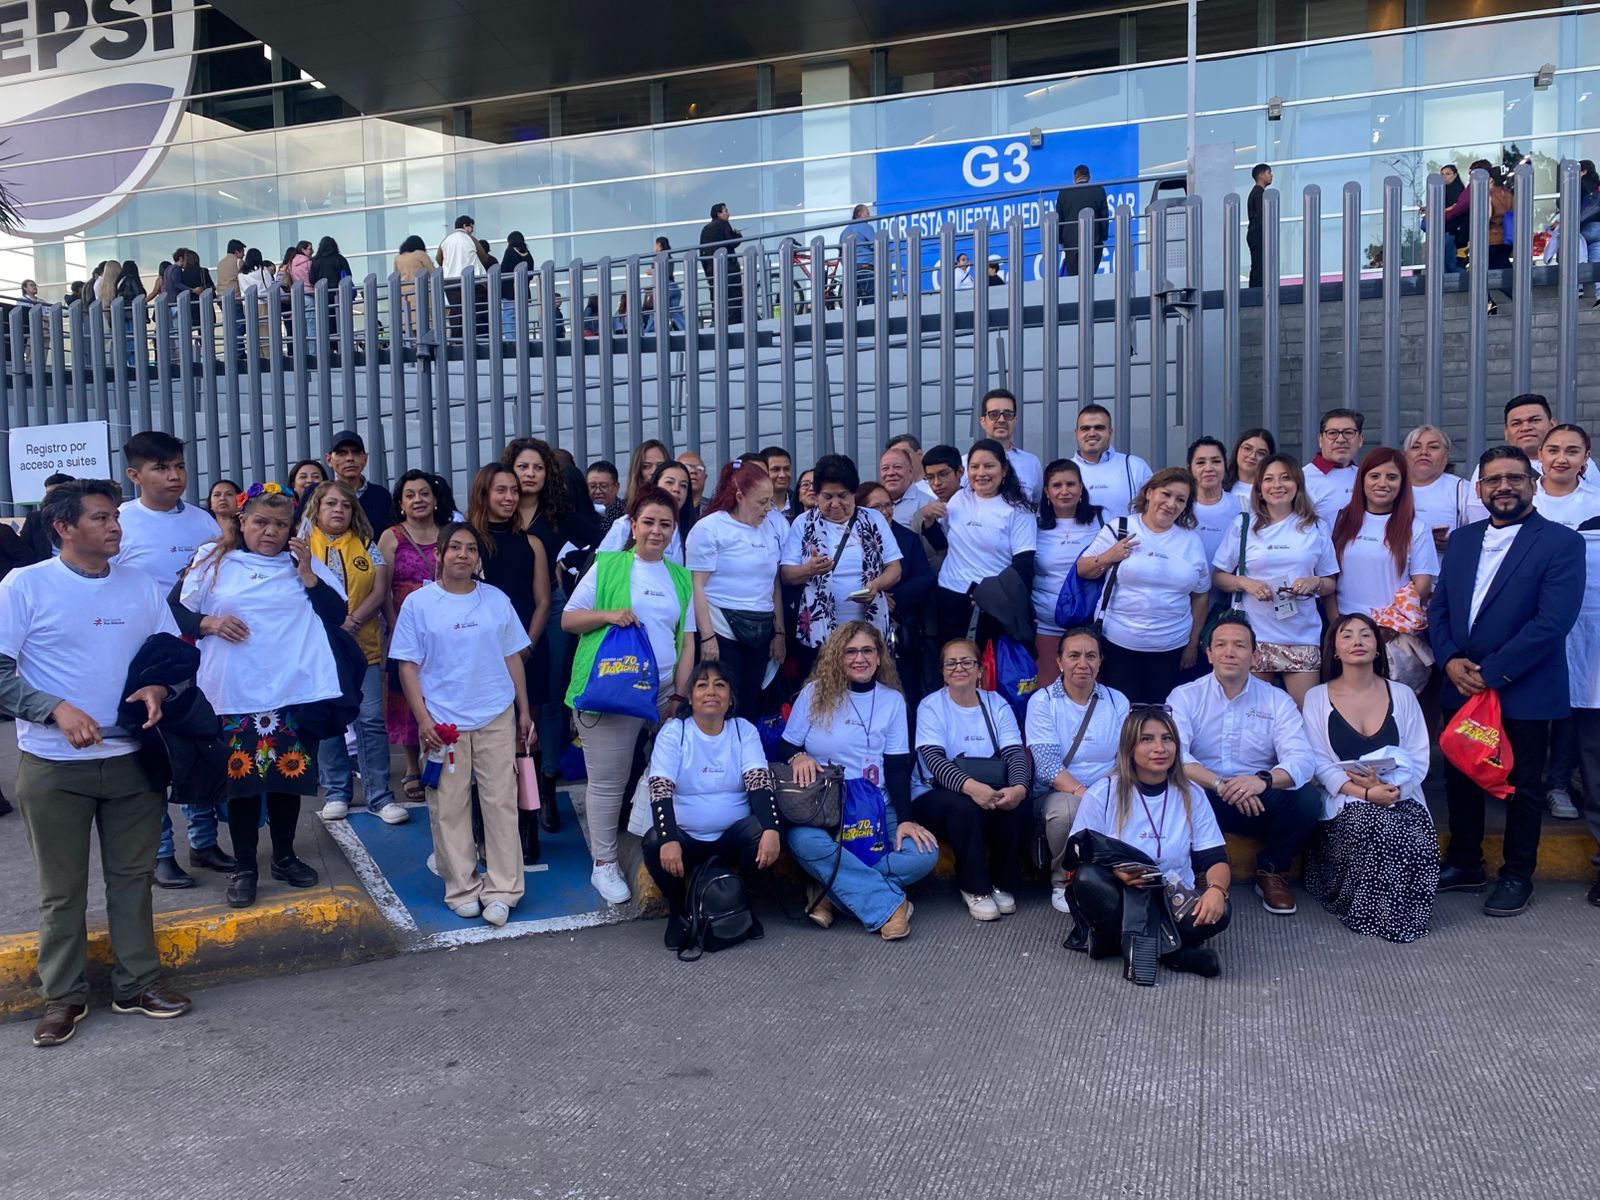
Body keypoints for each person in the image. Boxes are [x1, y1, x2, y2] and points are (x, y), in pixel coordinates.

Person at [0, 480, 194, 1046]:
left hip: (134, 760)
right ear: (64, 527)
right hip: (54, 766)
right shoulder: (25, 586)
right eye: (102, 518)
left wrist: (158, 685)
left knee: (133, 879)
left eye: (115, 517)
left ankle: (138, 984)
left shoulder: (139, 584)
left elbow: (172, 653)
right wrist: (54, 709)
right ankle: (62, 997)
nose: (116, 526)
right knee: (62, 890)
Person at [1429, 446, 1584, 916]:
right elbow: (1440, 608)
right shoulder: (1463, 539)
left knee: (1521, 786)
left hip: (1524, 686)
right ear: (1479, 490)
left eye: (1514, 478)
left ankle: (1518, 874)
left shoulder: (1561, 542)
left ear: (1532, 483)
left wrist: (1490, 674)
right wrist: (1451, 660)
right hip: (1461, 682)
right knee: (1461, 775)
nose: (1503, 487)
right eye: (1493, 480)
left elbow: (1552, 622)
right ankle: (1465, 862)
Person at [179, 485, 347, 910]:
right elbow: (175, 610)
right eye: (260, 522)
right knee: (243, 785)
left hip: (292, 691)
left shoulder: (303, 565)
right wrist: (210, 623)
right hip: (235, 693)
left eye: (279, 524)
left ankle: (285, 856)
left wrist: (308, 573)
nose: (269, 532)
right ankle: (245, 867)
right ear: (242, 522)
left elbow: (338, 615)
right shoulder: (213, 561)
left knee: (288, 779)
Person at [392, 522, 532, 927]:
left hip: (494, 714)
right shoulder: (419, 604)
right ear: (438, 554)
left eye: (471, 549)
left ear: (479, 558)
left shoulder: (496, 600)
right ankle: (462, 888)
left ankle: (504, 888)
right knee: (449, 806)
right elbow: (408, 666)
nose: (463, 555)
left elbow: (512, 658)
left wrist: (524, 712)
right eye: (454, 547)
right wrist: (423, 719)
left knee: (500, 802)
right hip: (443, 722)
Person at [562, 486, 695, 907]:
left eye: (666, 524)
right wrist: (608, 615)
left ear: (674, 531)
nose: (657, 531)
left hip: (662, 690)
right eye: (649, 522)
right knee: (607, 782)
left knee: (670, 773)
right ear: (633, 525)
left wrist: (680, 695)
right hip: (613, 689)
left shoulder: (679, 576)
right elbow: (568, 620)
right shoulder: (608, 566)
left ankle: (657, 844)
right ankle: (603, 863)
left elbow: (687, 640)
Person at [110, 431, 226, 890]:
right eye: (161, 468)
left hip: (195, 659)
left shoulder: (204, 524)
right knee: (154, 755)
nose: (174, 475)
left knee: (200, 747)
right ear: (135, 475)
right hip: (140, 662)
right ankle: (161, 853)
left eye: (178, 465)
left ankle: (203, 842)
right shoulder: (119, 523)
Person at [779, 621, 936, 939]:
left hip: (878, 804)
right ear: (838, 657)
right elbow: (787, 745)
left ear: (879, 657)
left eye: (867, 650)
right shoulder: (814, 693)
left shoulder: (892, 700)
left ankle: (827, 890)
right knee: (802, 841)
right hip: (825, 806)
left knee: (925, 854)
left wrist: (905, 819)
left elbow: (896, 764)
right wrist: (799, 757)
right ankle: (889, 906)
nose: (859, 658)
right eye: (850, 651)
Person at [1169, 612, 1321, 914]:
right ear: (1209, 654)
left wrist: (1261, 781)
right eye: (1221, 645)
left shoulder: (1276, 699)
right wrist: (1219, 783)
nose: (1229, 652)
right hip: (1205, 794)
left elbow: (1302, 758)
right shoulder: (1185, 696)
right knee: (1173, 790)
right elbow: (1176, 755)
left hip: (1256, 796)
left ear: (1254, 655)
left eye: (1239, 645)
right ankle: (1200, 869)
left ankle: (1271, 870)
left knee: (1307, 800)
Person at [1068, 708, 1233, 980]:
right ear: (1129, 747)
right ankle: (1175, 954)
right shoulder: (1103, 792)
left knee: (1222, 911)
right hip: (1121, 894)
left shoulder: (1192, 793)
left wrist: (1216, 889)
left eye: (1167, 739)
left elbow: (1214, 858)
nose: (1160, 748)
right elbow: (1078, 858)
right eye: (1147, 739)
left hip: (1173, 895)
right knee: (1088, 880)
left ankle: (1122, 943)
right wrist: (1115, 872)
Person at [1301, 613, 1437, 942]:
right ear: (1335, 649)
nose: (1357, 642)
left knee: (1416, 834)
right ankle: (1369, 913)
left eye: (1366, 635)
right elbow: (1317, 762)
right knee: (1371, 825)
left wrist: (1392, 790)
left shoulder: (1402, 695)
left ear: (1378, 647)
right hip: (1346, 800)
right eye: (1347, 636)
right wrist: (1362, 794)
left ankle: (1405, 914)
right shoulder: (1316, 697)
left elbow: (1419, 757)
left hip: (1398, 793)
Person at [641, 661, 781, 949]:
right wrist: (668, 838)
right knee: (655, 841)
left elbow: (758, 782)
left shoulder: (743, 731)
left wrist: (771, 828)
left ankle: (743, 904)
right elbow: (660, 789)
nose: (711, 691)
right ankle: (678, 910)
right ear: (690, 697)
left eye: (720, 685)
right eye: (702, 685)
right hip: (687, 839)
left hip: (733, 837)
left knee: (766, 833)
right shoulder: (675, 732)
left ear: (730, 697)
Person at [502, 436, 601, 826]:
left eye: (538, 468)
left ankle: (545, 789)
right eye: (523, 466)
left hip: (554, 606)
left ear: (548, 475)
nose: (529, 474)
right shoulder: (499, 507)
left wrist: (570, 567)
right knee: (510, 696)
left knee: (551, 694)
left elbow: (603, 543)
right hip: (506, 610)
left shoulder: (558, 514)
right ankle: (510, 784)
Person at [304, 481, 403, 826]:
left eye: (345, 506)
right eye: (330, 504)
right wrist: (336, 623)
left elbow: (380, 588)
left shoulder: (367, 544)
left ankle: (379, 795)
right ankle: (336, 792)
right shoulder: (302, 546)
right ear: (317, 508)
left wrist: (355, 619)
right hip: (322, 648)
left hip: (365, 645)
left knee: (371, 720)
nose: (338, 511)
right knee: (331, 719)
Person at [911, 639, 1033, 921]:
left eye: (967, 662)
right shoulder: (930, 706)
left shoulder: (996, 703)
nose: (959, 668)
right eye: (951, 663)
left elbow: (1014, 753)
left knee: (1019, 805)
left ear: (980, 669)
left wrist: (1018, 788)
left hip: (988, 790)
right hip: (935, 793)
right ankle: (974, 887)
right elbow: (935, 762)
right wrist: (972, 788)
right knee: (964, 807)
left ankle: (1002, 882)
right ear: (942, 671)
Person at [467, 464, 552, 861]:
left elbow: (542, 601)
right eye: (500, 490)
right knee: (482, 749)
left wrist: (525, 646)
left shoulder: (532, 543)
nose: (509, 498)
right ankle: (483, 831)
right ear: (484, 493)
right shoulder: (468, 542)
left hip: (525, 655)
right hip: (478, 660)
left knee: (525, 743)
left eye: (514, 491)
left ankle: (527, 828)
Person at [1212, 454, 1338, 706]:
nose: (1277, 485)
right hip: (1253, 637)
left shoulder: (1315, 527)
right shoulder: (1244, 524)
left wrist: (1314, 583)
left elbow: (1330, 583)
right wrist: (1246, 583)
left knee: (1306, 716)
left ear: (1298, 485)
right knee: (1253, 715)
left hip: (1301, 636)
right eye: (1268, 479)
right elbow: (1218, 576)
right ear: (1259, 489)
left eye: (1285, 478)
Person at [1077, 468, 1211, 703]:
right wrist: (1109, 556)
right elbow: (1082, 569)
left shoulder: (1192, 541)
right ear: (1149, 493)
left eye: (1181, 500)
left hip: (1171, 649)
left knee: (1160, 716)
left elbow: (1201, 594)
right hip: (1117, 645)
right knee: (1122, 716)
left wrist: (1192, 643)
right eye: (1166, 494)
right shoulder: (1120, 528)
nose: (1171, 504)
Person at [1027, 627, 1130, 912]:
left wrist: (1107, 789)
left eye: (1090, 656)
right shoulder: (1042, 702)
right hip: (1059, 790)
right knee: (1067, 812)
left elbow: (1126, 755)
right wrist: (1087, 794)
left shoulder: (1116, 700)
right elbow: (1047, 766)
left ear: (1100, 662)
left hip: (1109, 784)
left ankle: (1114, 875)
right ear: (1059, 661)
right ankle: (1063, 881)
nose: (1082, 663)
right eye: (1074, 655)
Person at [687, 459, 785, 722]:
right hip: (721, 628)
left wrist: (779, 631)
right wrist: (707, 637)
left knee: (751, 703)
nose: (767, 508)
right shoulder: (710, 528)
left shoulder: (771, 527)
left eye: (770, 501)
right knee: (722, 704)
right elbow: (696, 584)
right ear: (739, 496)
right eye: (761, 502)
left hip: (761, 628)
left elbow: (773, 583)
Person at [782, 454, 902, 663]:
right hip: (820, 631)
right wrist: (809, 569)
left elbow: (894, 568)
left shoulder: (873, 519)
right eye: (827, 497)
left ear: (854, 494)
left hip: (869, 622)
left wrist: (876, 585)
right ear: (816, 495)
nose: (835, 504)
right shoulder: (803, 523)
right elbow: (786, 575)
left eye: (843, 496)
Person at [378, 470, 446, 801]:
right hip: (403, 625)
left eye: (424, 493)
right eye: (410, 495)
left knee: (441, 693)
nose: (418, 500)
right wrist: (395, 629)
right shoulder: (391, 537)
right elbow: (383, 588)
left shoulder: (449, 534)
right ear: (401, 503)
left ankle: (442, 755)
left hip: (445, 627)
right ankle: (410, 766)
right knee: (406, 696)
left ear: (434, 500)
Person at [933, 439, 1035, 647]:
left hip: (990, 605)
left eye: (989, 466)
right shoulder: (958, 499)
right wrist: (926, 522)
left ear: (1004, 470)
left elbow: (1024, 565)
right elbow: (943, 544)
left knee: (986, 671)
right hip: (948, 597)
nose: (981, 473)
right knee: (950, 668)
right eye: (974, 467)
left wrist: (989, 595)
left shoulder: (1019, 510)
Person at [1331, 448, 1437, 620]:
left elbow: (1422, 585)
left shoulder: (1417, 528)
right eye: (1374, 476)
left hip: (1393, 631)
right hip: (1346, 628)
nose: (1382, 483)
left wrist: (1390, 624)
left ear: (1403, 483)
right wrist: (1336, 624)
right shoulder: (1339, 521)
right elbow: (1328, 579)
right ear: (1362, 480)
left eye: (1392, 477)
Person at [859, 481, 935, 710]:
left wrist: (892, 597)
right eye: (877, 507)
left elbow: (926, 578)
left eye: (888, 505)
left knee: (903, 692)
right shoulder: (849, 537)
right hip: (860, 623)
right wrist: (878, 594)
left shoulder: (907, 538)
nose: (885, 512)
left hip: (900, 630)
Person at [1031, 460, 1103, 684]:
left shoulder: (1101, 521)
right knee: (1049, 690)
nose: (1064, 491)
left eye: (1071, 484)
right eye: (1056, 485)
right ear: (1046, 491)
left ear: (1081, 488)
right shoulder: (1034, 525)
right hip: (1046, 624)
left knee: (1086, 690)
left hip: (1089, 624)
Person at [598, 460, 690, 564]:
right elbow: (602, 566)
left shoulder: (691, 529)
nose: (676, 489)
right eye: (669, 482)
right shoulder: (625, 524)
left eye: (683, 485)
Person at [1072, 404, 1152, 520]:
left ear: (1110, 432)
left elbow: (1153, 511)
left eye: (1099, 428)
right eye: (1085, 428)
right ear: (1076, 433)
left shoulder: (1135, 466)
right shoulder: (1064, 472)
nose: (1092, 433)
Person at [1404, 424, 1472, 557]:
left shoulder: (1462, 489)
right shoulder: (1390, 487)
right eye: (1416, 447)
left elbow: (1481, 534)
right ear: (1406, 455)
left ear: (1446, 455)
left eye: (1433, 447)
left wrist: (1455, 543)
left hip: (1444, 574)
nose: (1424, 452)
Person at [974, 388, 1042, 503]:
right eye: (994, 414)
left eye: (1008, 414)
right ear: (982, 421)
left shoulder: (1031, 463)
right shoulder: (967, 464)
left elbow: (1037, 504)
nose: (1001, 420)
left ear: (1015, 420)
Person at [324, 430, 393, 536]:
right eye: (341, 453)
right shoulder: (319, 494)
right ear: (329, 460)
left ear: (365, 459)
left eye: (356, 452)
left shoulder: (381, 496)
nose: (350, 458)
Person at [1304, 409, 1365, 527]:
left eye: (1348, 432)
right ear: (1320, 440)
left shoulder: (1366, 478)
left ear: (1360, 439)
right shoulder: (1303, 479)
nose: (1341, 440)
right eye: (1332, 433)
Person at [1532, 424, 1600, 529]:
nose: (1561, 460)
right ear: (1540, 454)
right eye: (1553, 451)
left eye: (1572, 452)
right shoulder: (1524, 499)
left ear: (1586, 457)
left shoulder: (1597, 500)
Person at [437, 215, 489, 340]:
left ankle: (458, 340)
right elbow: (484, 257)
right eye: (471, 227)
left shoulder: (445, 241)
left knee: (456, 311)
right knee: (476, 311)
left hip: (450, 282)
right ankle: (478, 338)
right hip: (473, 281)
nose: (472, 230)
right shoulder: (470, 239)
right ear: (465, 226)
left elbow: (439, 259)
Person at [1055, 163, 1110, 278]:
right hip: (1093, 241)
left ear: (1075, 178)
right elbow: (1104, 216)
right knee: (1090, 276)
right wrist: (1104, 237)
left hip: (1071, 243)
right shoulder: (1099, 191)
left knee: (1074, 277)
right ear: (1089, 177)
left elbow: (1059, 219)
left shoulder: (1064, 193)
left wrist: (1060, 240)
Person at [698, 203, 743, 322]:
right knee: (734, 299)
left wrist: (708, 271)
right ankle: (734, 326)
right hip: (728, 268)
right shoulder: (724, 224)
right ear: (719, 213)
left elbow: (702, 252)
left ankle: (717, 325)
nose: (729, 214)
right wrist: (738, 235)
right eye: (726, 211)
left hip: (712, 270)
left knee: (716, 299)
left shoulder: (706, 229)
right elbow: (731, 243)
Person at [879, 444, 936, 531]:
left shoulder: (927, 504)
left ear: (910, 472)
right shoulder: (871, 504)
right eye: (885, 468)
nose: (890, 473)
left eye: (897, 467)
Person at [394, 235, 433, 337]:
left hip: (404, 294)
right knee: (424, 320)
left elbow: (395, 275)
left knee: (409, 322)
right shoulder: (420, 255)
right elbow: (433, 272)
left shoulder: (398, 258)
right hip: (421, 291)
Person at [499, 231, 534, 342]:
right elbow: (531, 275)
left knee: (509, 316)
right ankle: (522, 339)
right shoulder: (528, 255)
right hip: (523, 291)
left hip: (510, 291)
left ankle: (512, 340)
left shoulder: (510, 252)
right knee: (521, 317)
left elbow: (503, 270)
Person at [1225, 427, 1275, 501]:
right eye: (1247, 449)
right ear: (1237, 449)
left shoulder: (1273, 490)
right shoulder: (1219, 486)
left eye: (1261, 453)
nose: (1252, 456)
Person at [620, 439, 669, 515]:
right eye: (646, 466)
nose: (654, 471)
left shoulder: (680, 506)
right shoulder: (620, 509)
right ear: (637, 471)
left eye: (660, 465)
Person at [842, 203, 876, 301]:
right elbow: (876, 245)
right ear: (859, 214)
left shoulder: (845, 231)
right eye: (867, 213)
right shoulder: (866, 227)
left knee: (852, 301)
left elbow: (841, 253)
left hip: (850, 269)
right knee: (870, 299)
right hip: (866, 266)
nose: (869, 217)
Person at [1247, 163, 1272, 288]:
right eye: (1269, 172)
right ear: (1261, 175)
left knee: (1258, 263)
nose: (1271, 176)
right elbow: (1261, 217)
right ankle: (1257, 290)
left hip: (1254, 233)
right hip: (1258, 233)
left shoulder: (1255, 192)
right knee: (1259, 263)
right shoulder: (1259, 193)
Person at [760, 445, 795, 518]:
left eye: (786, 469)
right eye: (776, 469)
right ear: (762, 471)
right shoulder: (755, 507)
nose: (782, 475)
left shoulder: (800, 505)